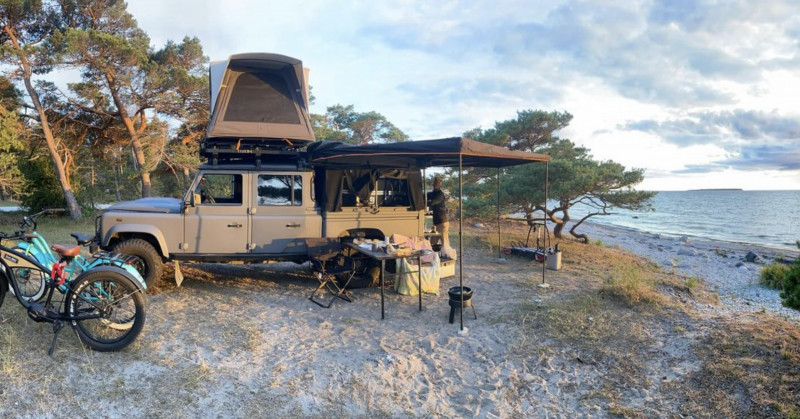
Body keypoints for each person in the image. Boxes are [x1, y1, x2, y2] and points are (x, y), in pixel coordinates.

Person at [427, 176, 451, 254]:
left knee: (445, 242)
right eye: (434, 183)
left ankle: (448, 255)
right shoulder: (433, 193)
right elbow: (426, 196)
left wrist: (424, 203)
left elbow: (432, 203)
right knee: (432, 243)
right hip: (437, 222)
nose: (435, 185)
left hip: (442, 221)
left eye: (436, 183)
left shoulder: (440, 194)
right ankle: (432, 256)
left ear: (440, 185)